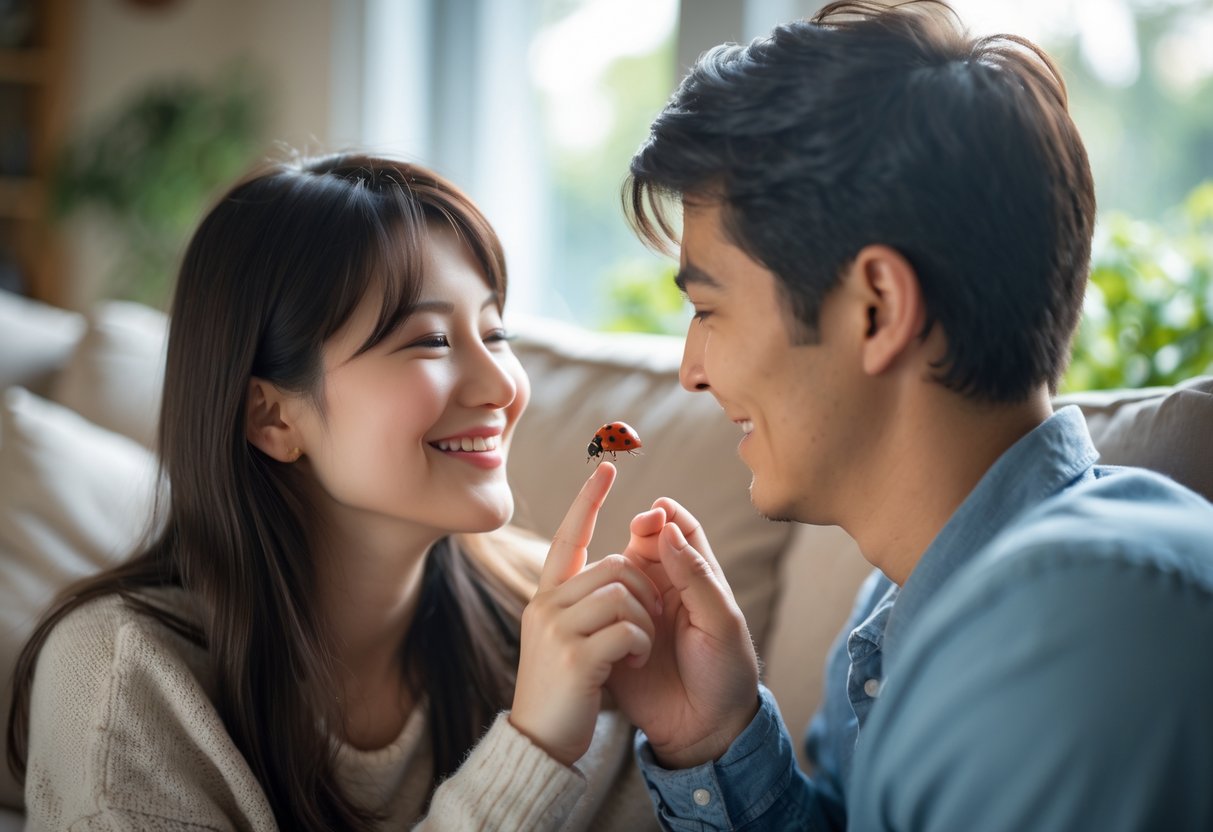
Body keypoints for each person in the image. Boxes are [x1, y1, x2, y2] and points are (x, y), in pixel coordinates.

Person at [600, 1, 1213, 829]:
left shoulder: (1085, 632)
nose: (690, 371)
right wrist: (714, 738)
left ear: (878, 308)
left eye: (708, 311)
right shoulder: (895, 615)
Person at [6, 154, 663, 830]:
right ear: (272, 417)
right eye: (431, 341)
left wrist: (695, 739)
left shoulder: (549, 623)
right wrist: (532, 751)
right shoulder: (120, 678)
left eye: (496, 333)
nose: (501, 386)